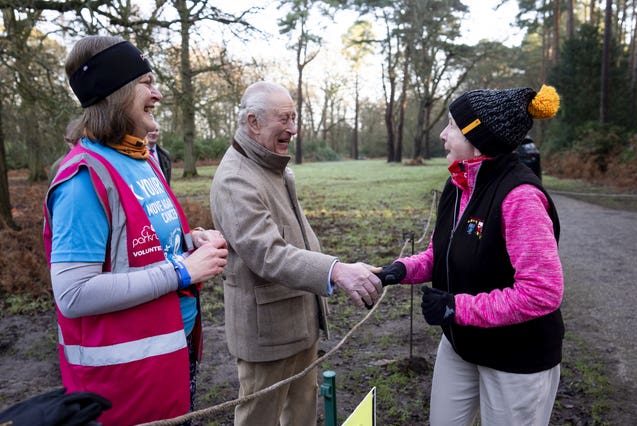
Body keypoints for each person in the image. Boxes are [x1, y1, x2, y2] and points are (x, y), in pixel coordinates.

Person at [43, 35, 228, 426]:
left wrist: (191, 240)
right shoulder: (83, 178)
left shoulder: (139, 158)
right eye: (146, 82)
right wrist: (183, 270)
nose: (157, 94)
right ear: (117, 91)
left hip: (170, 359)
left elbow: (142, 243)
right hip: (122, 389)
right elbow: (73, 294)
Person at [375, 85, 565, 425]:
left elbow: (542, 292)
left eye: (452, 125)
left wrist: (455, 307)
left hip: (516, 357)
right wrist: (399, 270)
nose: (442, 134)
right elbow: (442, 253)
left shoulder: (520, 197)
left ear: (478, 135)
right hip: (461, 344)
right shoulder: (458, 184)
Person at [209, 81, 383, 426]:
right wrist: (335, 271)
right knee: (259, 418)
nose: (293, 129)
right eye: (284, 119)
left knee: (303, 412)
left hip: (300, 322)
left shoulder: (272, 167)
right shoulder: (236, 179)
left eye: (294, 118)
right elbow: (268, 254)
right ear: (253, 122)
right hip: (268, 335)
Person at [48, 117, 82, 183]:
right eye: (71, 140)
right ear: (66, 140)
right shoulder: (57, 167)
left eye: (79, 140)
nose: (74, 145)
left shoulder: (93, 161)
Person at [147, 118, 172, 184]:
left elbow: (167, 181)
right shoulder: (137, 154)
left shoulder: (165, 155)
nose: (153, 133)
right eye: (151, 130)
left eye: (156, 130)